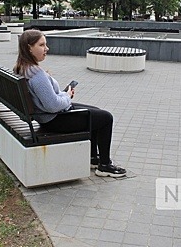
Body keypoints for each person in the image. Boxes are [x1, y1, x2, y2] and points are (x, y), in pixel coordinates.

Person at [13, 29, 127, 178]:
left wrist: (63, 94)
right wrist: (67, 96)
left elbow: (48, 99)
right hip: (54, 120)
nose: (46, 49)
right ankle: (104, 165)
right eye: (42, 45)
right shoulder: (37, 75)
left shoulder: (23, 68)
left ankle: (93, 158)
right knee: (106, 117)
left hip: (49, 117)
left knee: (96, 112)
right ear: (29, 48)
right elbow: (52, 105)